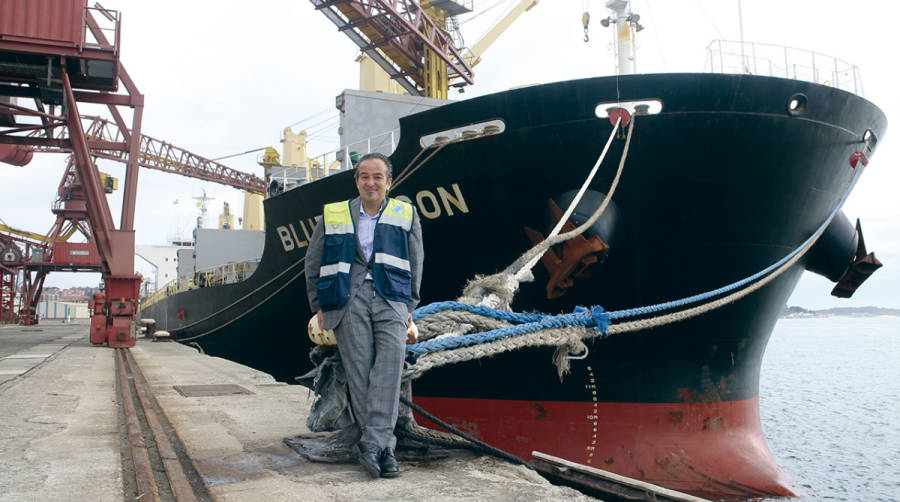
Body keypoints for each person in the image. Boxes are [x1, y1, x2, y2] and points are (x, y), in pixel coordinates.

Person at [305, 152, 423, 479]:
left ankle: (375, 443)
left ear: (389, 181)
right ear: (356, 181)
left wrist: (410, 306)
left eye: (377, 177)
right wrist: (319, 302)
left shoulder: (406, 214)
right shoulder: (332, 215)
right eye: (364, 177)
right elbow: (312, 263)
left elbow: (416, 261)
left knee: (389, 366)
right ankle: (382, 448)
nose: (371, 183)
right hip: (347, 298)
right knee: (360, 371)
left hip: (391, 298)